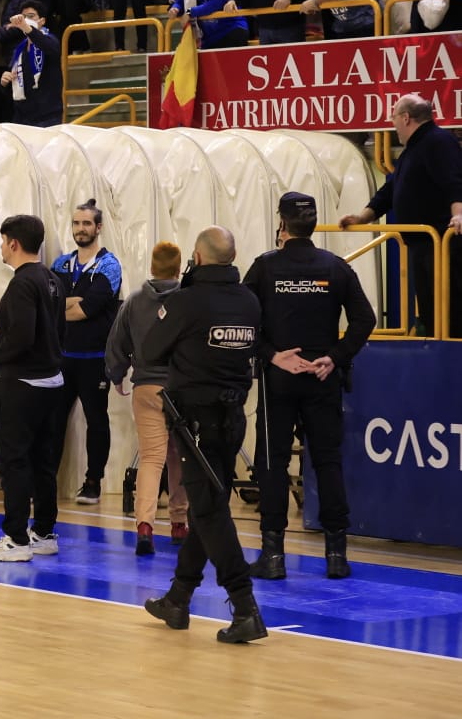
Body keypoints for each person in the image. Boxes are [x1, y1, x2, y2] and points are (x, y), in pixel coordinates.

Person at [139, 225, 267, 644]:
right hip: (233, 419)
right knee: (204, 507)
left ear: (197, 256)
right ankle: (178, 599)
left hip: (196, 423)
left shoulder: (186, 301)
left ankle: (245, 605)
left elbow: (150, 349)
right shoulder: (249, 300)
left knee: (211, 512)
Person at [245, 192, 378, 579]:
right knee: (327, 462)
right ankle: (336, 556)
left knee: (273, 463)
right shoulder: (335, 268)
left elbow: (244, 319)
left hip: (280, 380)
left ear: (282, 224)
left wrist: (271, 355)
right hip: (323, 378)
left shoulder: (265, 267)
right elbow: (364, 320)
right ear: (313, 224)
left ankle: (273, 557)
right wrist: (335, 357)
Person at [0, 214, 67, 562]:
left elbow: (25, 337)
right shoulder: (52, 279)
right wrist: (8, 342)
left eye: (2, 241)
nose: (1, 247)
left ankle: (16, 538)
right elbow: (51, 332)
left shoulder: (21, 283)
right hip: (51, 381)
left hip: (23, 384)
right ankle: (44, 531)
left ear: (13, 243)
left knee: (14, 461)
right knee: (43, 461)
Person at [340, 94, 462, 338]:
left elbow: (455, 180)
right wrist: (362, 217)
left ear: (406, 118)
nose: (392, 123)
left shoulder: (439, 141)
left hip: (441, 241)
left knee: (450, 308)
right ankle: (436, 350)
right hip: (423, 243)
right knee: (431, 309)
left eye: (394, 117)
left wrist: (458, 214)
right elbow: (391, 189)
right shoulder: (413, 150)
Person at [105, 241, 190, 554]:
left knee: (152, 459)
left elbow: (116, 343)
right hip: (182, 388)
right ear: (179, 267)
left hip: (147, 388)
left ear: (152, 266)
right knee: (180, 456)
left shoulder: (135, 301)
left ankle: (145, 525)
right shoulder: (189, 300)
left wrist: (116, 374)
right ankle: (179, 523)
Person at [49, 199, 122, 505]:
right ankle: (45, 480)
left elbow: (87, 310)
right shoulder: (60, 264)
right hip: (62, 357)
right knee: (52, 421)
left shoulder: (109, 265)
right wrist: (70, 303)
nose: (81, 229)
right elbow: (51, 304)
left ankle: (93, 482)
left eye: (86, 223)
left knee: (97, 420)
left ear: (98, 228)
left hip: (94, 359)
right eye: (77, 223)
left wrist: (66, 304)